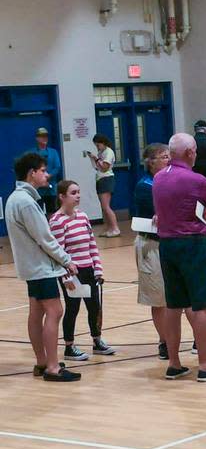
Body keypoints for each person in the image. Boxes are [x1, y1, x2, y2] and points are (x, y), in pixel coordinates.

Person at [152, 133, 206, 382]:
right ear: (189, 153)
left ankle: (174, 363)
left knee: (174, 306)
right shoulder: (196, 179)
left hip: (167, 245)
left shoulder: (158, 178)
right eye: (195, 150)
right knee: (201, 305)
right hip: (193, 245)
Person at [6, 153, 81, 381]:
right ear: (32, 173)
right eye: (43, 170)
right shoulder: (26, 202)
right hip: (40, 267)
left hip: (32, 267)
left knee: (36, 312)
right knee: (55, 311)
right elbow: (45, 238)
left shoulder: (15, 198)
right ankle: (52, 367)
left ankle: (41, 362)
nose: (47, 174)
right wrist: (66, 260)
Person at [50, 180, 114, 360]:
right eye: (73, 193)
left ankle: (97, 341)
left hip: (88, 269)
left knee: (94, 307)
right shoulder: (57, 221)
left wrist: (98, 269)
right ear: (62, 197)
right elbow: (58, 252)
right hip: (72, 274)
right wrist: (65, 278)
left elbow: (92, 244)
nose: (77, 196)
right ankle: (69, 347)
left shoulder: (83, 217)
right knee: (73, 308)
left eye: (78, 192)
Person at [133, 142, 176, 360]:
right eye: (163, 156)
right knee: (159, 297)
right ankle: (164, 341)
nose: (168, 160)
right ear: (151, 162)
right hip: (152, 244)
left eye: (169, 156)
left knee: (176, 296)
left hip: (170, 243)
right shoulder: (145, 186)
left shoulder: (170, 181)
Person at [88, 133, 120, 237]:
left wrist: (96, 158)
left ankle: (115, 228)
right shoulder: (101, 152)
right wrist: (93, 159)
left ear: (103, 143)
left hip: (106, 179)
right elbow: (98, 167)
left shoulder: (108, 152)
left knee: (106, 206)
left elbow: (105, 167)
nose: (97, 147)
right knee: (103, 207)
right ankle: (109, 228)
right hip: (100, 179)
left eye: (98, 145)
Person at [34, 127, 62, 215]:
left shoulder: (53, 152)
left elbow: (57, 167)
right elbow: (32, 169)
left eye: (46, 136)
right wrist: (40, 179)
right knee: (37, 212)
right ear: (37, 138)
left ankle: (53, 228)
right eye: (41, 136)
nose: (44, 138)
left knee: (53, 212)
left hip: (51, 188)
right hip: (38, 189)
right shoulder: (33, 153)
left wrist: (47, 176)